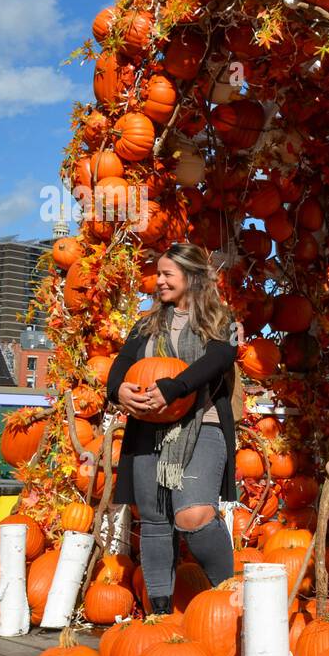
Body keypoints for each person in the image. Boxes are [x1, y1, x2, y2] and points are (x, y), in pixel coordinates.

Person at [106, 243, 238, 616]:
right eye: (158, 274)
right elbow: (121, 366)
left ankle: (231, 598)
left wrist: (173, 388)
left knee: (192, 514)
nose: (158, 281)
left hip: (201, 424)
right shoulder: (146, 324)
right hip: (148, 427)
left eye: (167, 274)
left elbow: (219, 359)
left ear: (192, 276)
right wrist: (119, 392)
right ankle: (160, 613)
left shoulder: (221, 322)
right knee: (154, 518)